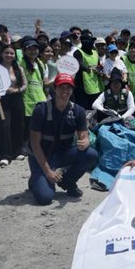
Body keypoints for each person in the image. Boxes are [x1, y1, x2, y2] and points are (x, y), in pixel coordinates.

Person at [28, 73, 98, 205]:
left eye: (68, 88)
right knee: (45, 198)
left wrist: (85, 141)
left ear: (72, 90)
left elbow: (84, 134)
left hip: (61, 154)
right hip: (40, 156)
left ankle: (67, 181)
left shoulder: (78, 111)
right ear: (55, 88)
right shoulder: (41, 110)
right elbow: (34, 144)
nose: (64, 91)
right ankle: (36, 177)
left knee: (91, 154)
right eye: (61, 87)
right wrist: (48, 171)